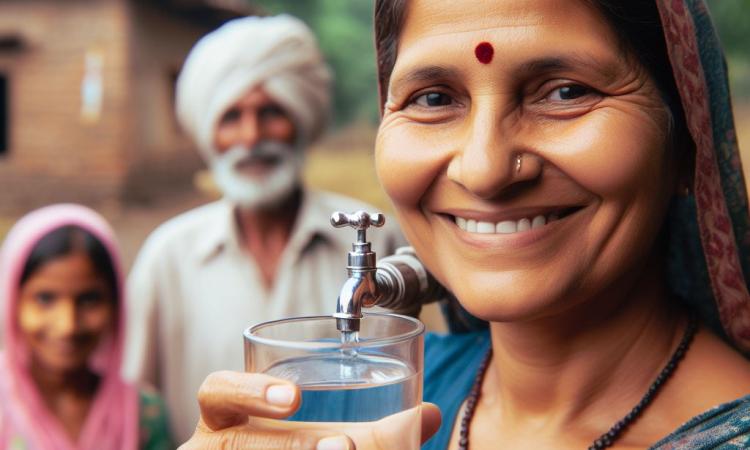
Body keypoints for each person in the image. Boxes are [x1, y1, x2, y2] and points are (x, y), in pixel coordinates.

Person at [178, 0, 750, 449]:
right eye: (432, 98)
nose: (485, 169)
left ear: (687, 138)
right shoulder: (393, 398)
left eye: (566, 92)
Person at [122, 14, 404, 443]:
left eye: (271, 112)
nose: (251, 137)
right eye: (231, 116)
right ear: (208, 130)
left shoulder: (374, 235)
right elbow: (134, 407)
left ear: (301, 118)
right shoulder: (168, 257)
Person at [0, 204, 172, 450]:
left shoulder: (143, 414)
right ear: (12, 300)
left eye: (89, 299)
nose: (67, 325)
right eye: (45, 299)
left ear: (116, 305)